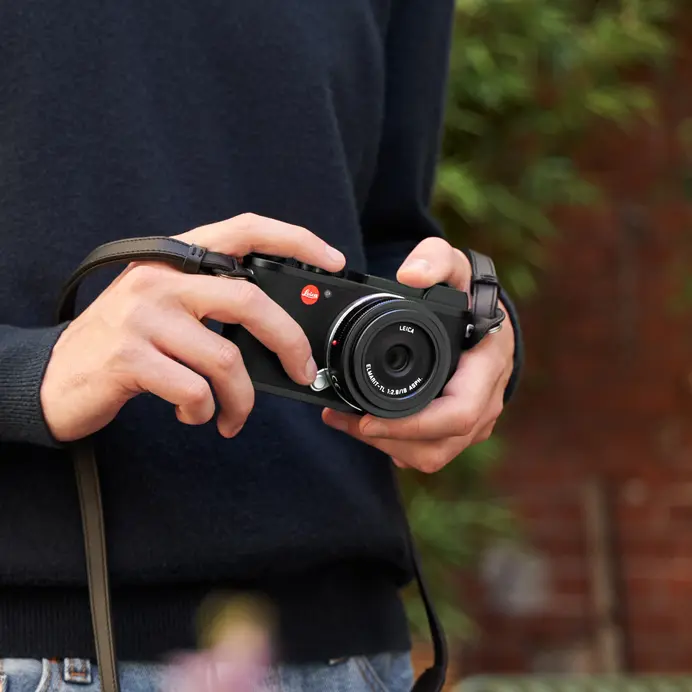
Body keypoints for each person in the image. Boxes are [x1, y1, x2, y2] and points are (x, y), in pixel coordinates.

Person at [0, 0, 524, 690]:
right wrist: (27, 374)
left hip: (348, 650)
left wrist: (475, 328)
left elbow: (383, 233)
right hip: (36, 642)